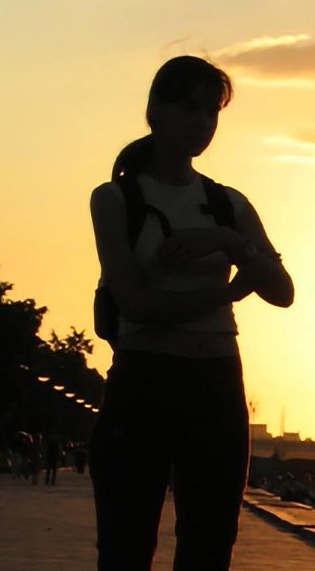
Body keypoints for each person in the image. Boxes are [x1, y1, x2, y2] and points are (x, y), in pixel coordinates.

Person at [89, 55, 294, 569]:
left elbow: (282, 290)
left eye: (211, 113)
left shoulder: (229, 205)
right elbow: (137, 304)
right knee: (125, 541)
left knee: (209, 541)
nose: (202, 123)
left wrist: (227, 241)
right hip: (143, 380)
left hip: (217, 385)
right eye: (189, 108)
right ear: (155, 111)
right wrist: (228, 292)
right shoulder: (116, 200)